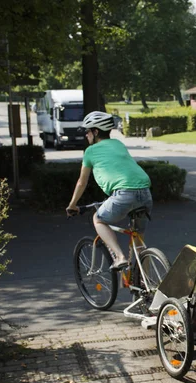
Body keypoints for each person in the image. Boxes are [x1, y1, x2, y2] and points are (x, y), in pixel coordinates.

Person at [66, 111, 152, 271]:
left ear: (96, 132)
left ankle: (119, 257)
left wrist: (72, 205)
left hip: (123, 194)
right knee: (139, 242)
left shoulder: (90, 151)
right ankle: (146, 284)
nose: (86, 135)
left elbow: (81, 182)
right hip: (145, 192)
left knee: (98, 219)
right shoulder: (118, 144)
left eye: (88, 131)